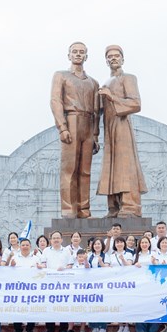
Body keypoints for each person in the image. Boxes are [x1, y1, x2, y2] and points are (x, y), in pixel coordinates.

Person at [97, 44, 147, 217]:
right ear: (106, 61)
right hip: (109, 128)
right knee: (111, 166)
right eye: (109, 56)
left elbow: (136, 104)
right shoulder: (105, 83)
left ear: (122, 59)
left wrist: (112, 97)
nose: (113, 58)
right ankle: (114, 206)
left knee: (125, 165)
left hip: (122, 125)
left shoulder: (129, 78)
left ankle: (130, 205)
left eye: (116, 55)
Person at [51, 41, 100, 219]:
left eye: (81, 52)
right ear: (69, 55)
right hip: (71, 120)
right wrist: (62, 127)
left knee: (85, 171)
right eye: (75, 51)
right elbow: (55, 101)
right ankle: (68, 209)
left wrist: (95, 135)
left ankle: (84, 210)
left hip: (88, 123)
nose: (78, 54)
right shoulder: (61, 76)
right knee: (69, 168)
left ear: (86, 56)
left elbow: (97, 111)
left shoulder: (93, 82)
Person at [40, 231, 74, 332]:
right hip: (50, 282)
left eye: (58, 238)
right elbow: (43, 264)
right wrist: (40, 267)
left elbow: (70, 265)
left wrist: (64, 268)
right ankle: (49, 330)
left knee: (63, 305)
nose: (56, 240)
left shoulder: (67, 251)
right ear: (50, 240)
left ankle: (63, 329)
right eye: (54, 238)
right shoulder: (46, 251)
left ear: (61, 240)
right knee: (49, 305)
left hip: (63, 282)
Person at [9, 237, 41, 332]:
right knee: (17, 308)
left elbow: (41, 272)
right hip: (18, 288)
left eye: (27, 245)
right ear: (20, 246)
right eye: (23, 245)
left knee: (32, 309)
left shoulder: (36, 258)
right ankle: (17, 329)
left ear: (30, 246)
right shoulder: (15, 258)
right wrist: (11, 266)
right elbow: (8, 273)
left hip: (32, 288)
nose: (25, 247)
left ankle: (30, 329)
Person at [131, 236, 159, 332]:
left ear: (149, 244)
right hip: (140, 286)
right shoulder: (136, 255)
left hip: (152, 285)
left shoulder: (153, 254)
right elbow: (131, 269)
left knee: (153, 306)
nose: (144, 244)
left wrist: (154, 262)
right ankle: (141, 329)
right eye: (142, 242)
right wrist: (135, 265)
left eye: (146, 242)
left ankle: (153, 330)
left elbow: (159, 266)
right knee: (140, 306)